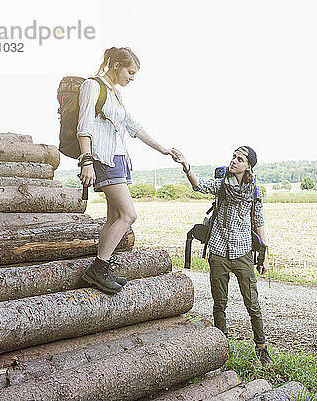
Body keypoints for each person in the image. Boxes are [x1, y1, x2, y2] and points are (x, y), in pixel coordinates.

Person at [77, 47, 174, 294]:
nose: (132, 77)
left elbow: (134, 127)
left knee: (113, 218)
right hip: (103, 159)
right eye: (130, 72)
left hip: (120, 159)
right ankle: (97, 269)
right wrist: (86, 160)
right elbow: (84, 126)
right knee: (129, 215)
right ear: (116, 65)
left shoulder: (116, 95)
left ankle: (103, 266)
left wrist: (162, 149)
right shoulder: (93, 86)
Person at [171, 146, 273, 366]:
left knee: (252, 303)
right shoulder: (222, 185)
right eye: (233, 157)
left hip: (243, 251)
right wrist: (186, 166)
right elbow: (198, 186)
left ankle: (262, 348)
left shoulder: (255, 190)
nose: (233, 161)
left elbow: (259, 221)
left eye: (239, 159)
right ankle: (221, 346)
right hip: (218, 251)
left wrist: (264, 254)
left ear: (248, 166)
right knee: (220, 303)